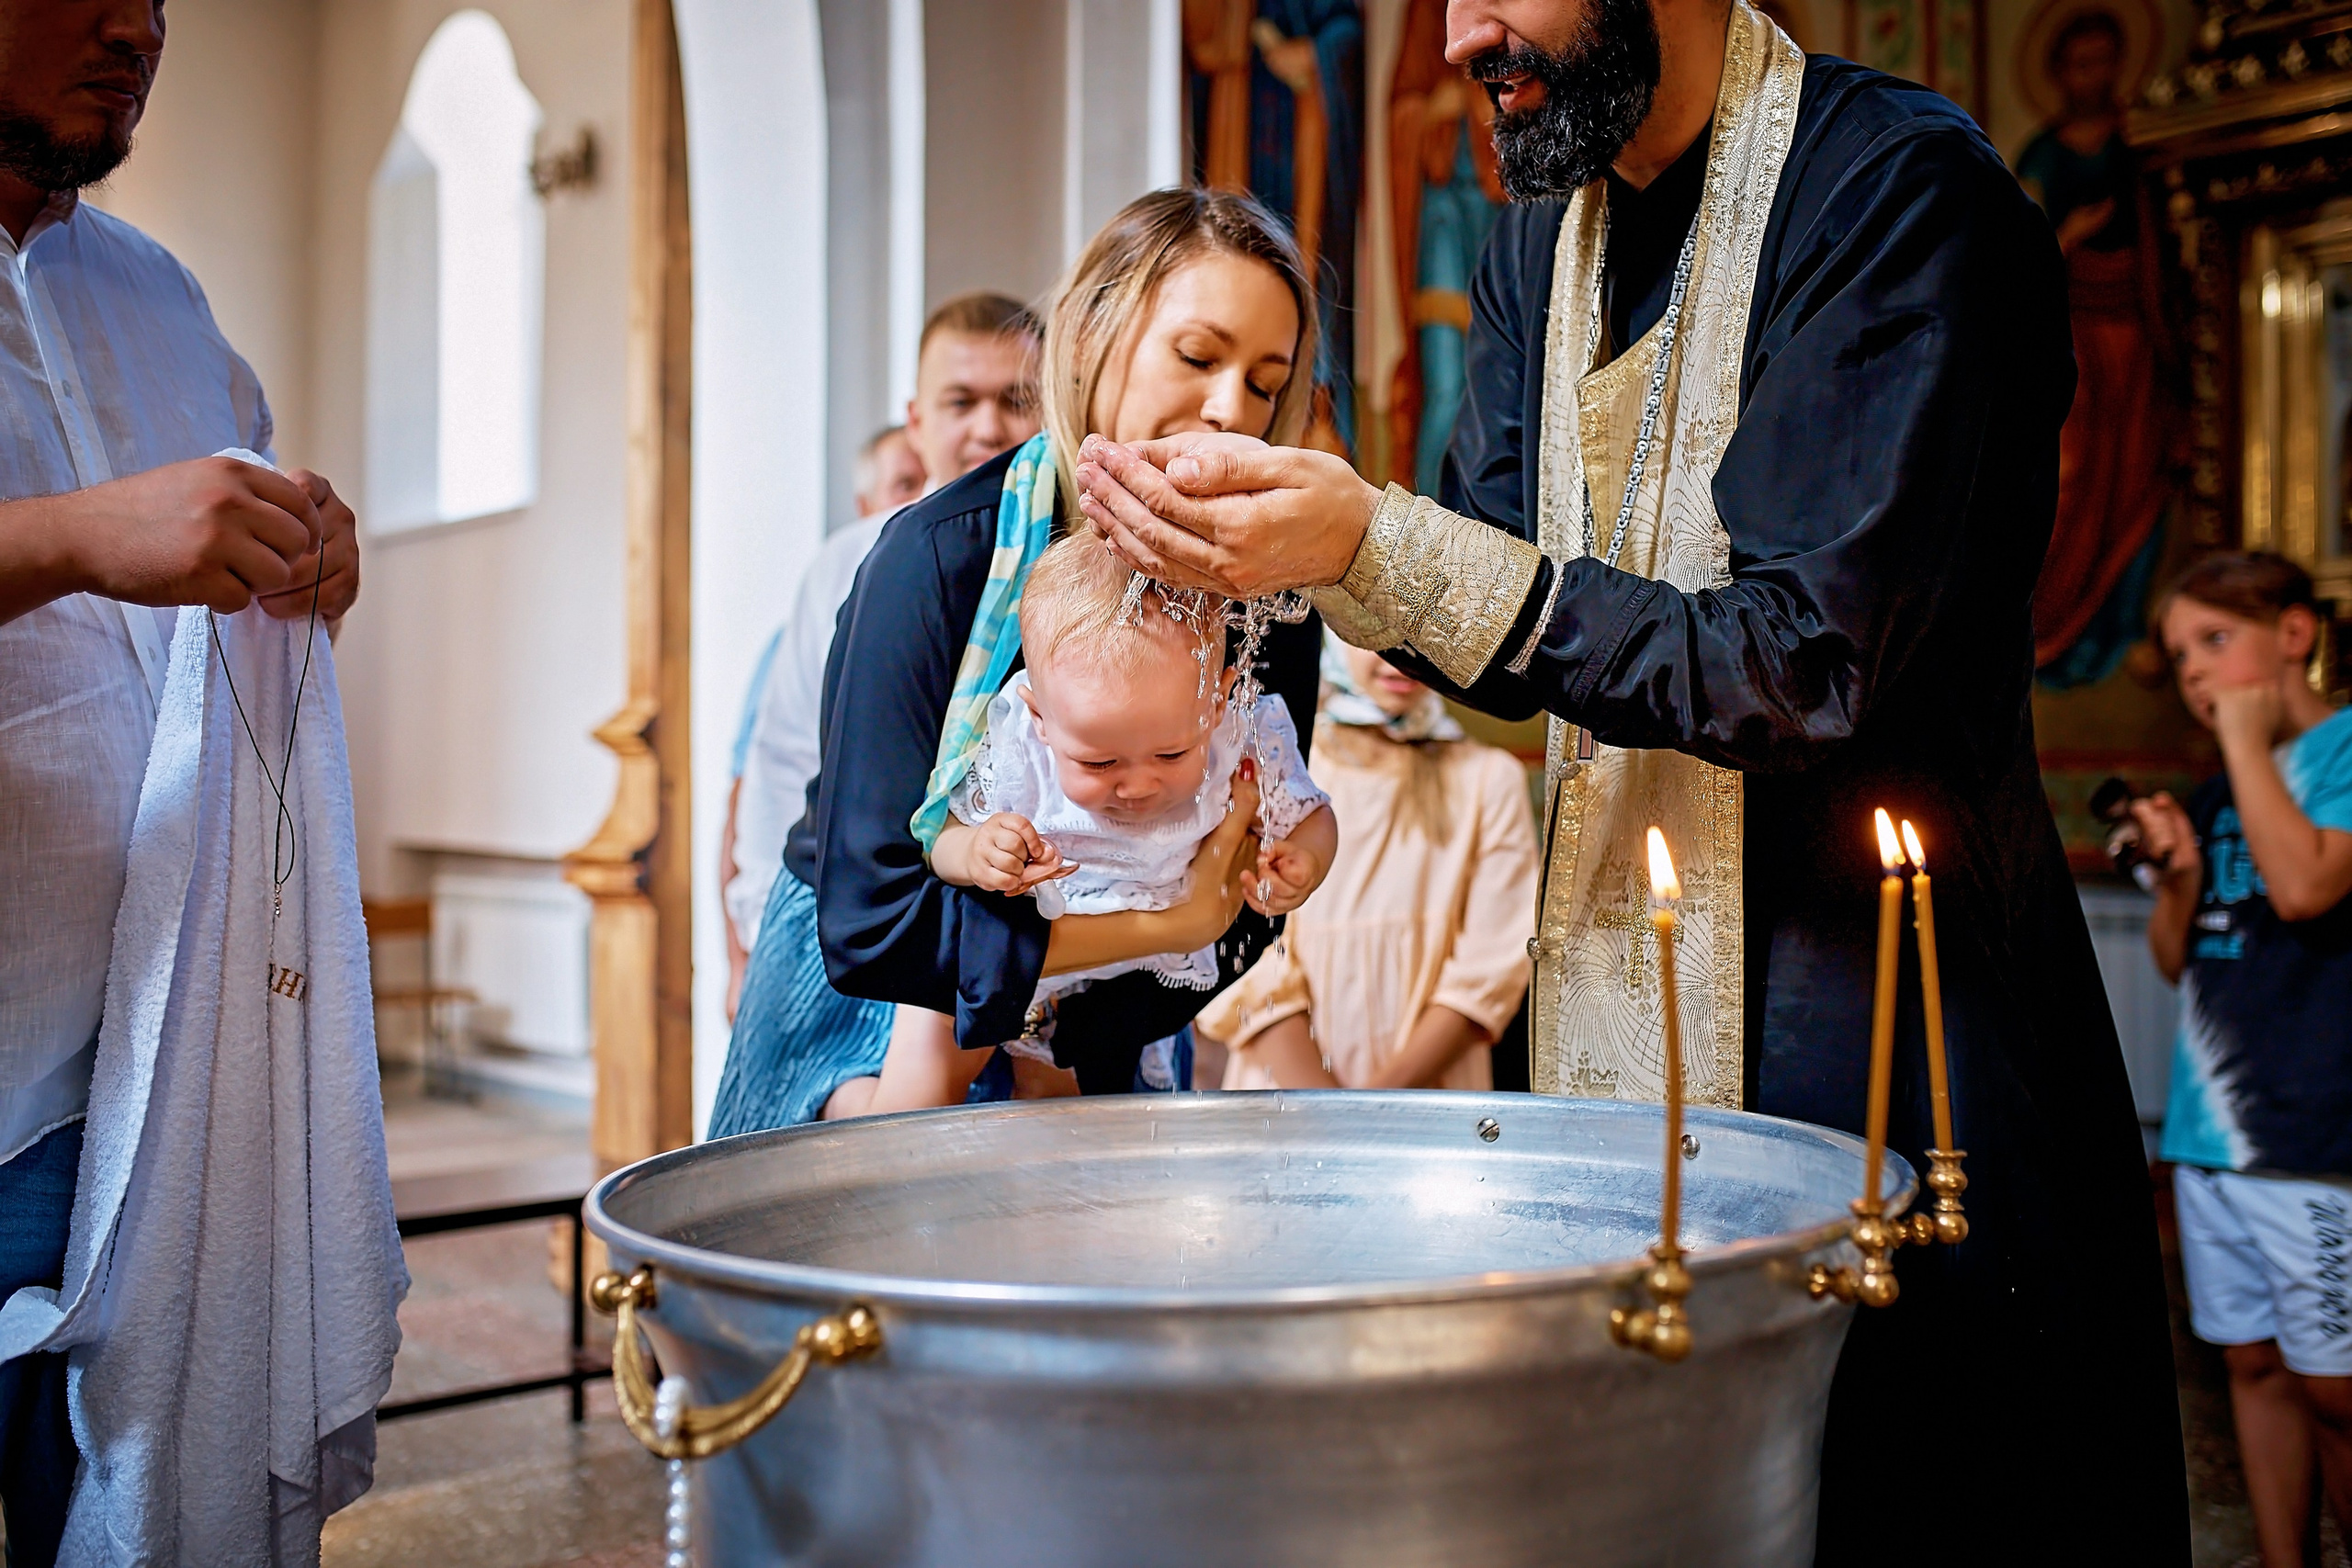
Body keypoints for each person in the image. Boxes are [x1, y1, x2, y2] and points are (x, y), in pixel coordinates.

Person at [1072, 0, 2188, 1558]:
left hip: (1873, 1030)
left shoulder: (1898, 194)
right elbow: (1482, 620)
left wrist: (1369, 543)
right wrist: (1297, 552)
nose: (1456, 35)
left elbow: (1809, 657)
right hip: (1608, 1029)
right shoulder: (1544, 240)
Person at [713, 186, 1326, 1136]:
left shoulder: (1269, 596)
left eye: (1264, 381)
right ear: (1089, 338)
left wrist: (1105, 1001)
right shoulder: (933, 558)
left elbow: (1252, 873)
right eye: (1199, 356)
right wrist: (1169, 925)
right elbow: (874, 917)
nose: (1228, 406)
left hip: (1113, 1019)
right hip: (868, 1014)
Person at [0, 3, 362, 1561]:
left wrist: (311, 563)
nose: (133, 24)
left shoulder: (162, 296)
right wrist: (78, 537)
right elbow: (111, 544)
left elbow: (230, 559)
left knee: (133, 1518)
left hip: (154, 1066)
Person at [849, 528, 1334, 1114]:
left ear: (1217, 698)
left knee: (1061, 1128)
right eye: (1099, 762)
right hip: (1008, 956)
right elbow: (940, 838)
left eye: (1171, 755)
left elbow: (1311, 815)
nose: (1136, 784)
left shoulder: (1244, 735)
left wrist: (1304, 860)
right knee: (910, 1108)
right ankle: (841, 1112)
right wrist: (977, 850)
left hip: (1112, 985)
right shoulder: (1020, 753)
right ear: (1040, 719)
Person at [722, 297, 1041, 1019]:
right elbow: (783, 759)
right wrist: (761, 933)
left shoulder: (1073, 553)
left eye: (1015, 399)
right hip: (862, 932)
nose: (989, 425)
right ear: (918, 420)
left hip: (1022, 933)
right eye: (961, 401)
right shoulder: (846, 564)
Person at [2132, 553, 2352, 1568]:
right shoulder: (2224, 785)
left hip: (2312, 1133)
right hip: (2212, 1135)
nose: (2195, 674)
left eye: (2215, 641)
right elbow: (2181, 954)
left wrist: (2239, 740)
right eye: (2181, 658)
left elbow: (2305, 886)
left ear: (2296, 635)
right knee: (2253, 1368)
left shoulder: (2343, 749)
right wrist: (2178, 872)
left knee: (2335, 1392)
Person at [1202, 637, 1536, 1089]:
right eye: (1374, 630)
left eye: (1422, 631)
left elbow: (1490, 969)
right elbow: (1236, 950)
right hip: (1287, 1097)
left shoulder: (1490, 780)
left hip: (1432, 1100)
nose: (1403, 657)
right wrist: (1328, 1114)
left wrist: (1378, 1112)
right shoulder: (1282, 764)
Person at [720, 423, 925, 1017]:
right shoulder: (814, 615)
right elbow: (751, 791)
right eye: (902, 484)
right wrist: (741, 960)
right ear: (865, 505)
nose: (917, 500)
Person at [2015, 8, 2174, 682]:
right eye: (2081, 64)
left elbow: (2169, 244)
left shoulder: (2142, 145)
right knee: (2072, 479)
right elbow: (2019, 257)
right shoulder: (2045, 157)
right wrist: (2071, 235)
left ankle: (2124, 632)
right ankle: (2050, 635)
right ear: (2057, 72)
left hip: (2138, 339)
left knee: (2136, 475)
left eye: (2105, 60)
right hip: (2072, 337)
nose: (2094, 77)